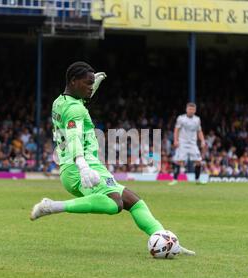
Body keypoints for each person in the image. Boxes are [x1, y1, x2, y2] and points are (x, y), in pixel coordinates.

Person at [30, 61, 194, 256]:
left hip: (76, 166)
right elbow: (74, 137)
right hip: (80, 166)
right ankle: (52, 206)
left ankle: (167, 241)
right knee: (115, 204)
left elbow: (80, 101)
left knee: (134, 201)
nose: (91, 87)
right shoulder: (75, 110)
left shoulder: (61, 101)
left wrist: (94, 84)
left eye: (92, 84)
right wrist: (82, 166)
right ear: (73, 81)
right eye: (88, 83)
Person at [168, 102, 206, 185]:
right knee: (178, 161)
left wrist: (202, 140)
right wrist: (175, 140)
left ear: (195, 110)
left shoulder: (197, 119)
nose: (191, 111)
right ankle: (174, 180)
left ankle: (197, 180)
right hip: (182, 143)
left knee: (198, 161)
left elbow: (199, 131)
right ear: (186, 109)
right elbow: (176, 129)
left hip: (193, 144)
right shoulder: (181, 118)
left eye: (193, 109)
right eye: (189, 109)